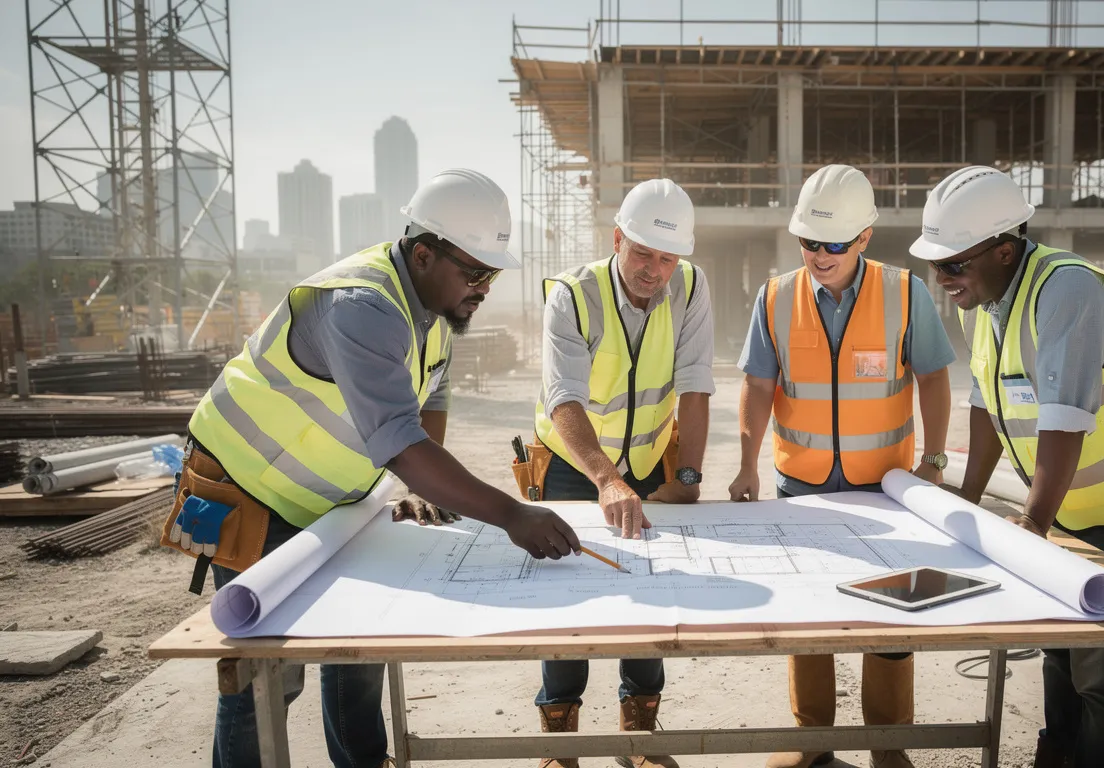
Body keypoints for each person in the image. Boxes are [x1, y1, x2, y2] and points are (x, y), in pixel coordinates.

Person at [164, 169, 581, 768]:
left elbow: (428, 402)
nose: (485, 287)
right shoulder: (363, 307)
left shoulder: (433, 313)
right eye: (475, 272)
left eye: (492, 273)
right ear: (422, 254)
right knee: (265, 674)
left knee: (358, 645)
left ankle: (363, 762)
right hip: (248, 489)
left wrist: (427, 488)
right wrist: (509, 513)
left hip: (331, 502)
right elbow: (401, 443)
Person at [909, 165, 1104, 768]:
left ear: (1005, 250)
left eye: (953, 265)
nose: (942, 280)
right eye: (935, 266)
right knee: (1058, 650)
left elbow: (1065, 418)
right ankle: (1057, 756)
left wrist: (1033, 522)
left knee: (1103, 676)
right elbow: (987, 404)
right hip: (1068, 504)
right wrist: (967, 497)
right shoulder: (982, 302)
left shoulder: (1067, 291)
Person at [731, 164, 956, 768]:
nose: (820, 255)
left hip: (888, 487)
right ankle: (812, 740)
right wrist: (748, 461)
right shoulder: (775, 296)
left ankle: (888, 746)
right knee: (809, 610)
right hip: (801, 484)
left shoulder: (905, 291)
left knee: (892, 617)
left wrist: (934, 460)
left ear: (864, 237)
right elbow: (758, 382)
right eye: (809, 241)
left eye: (834, 243)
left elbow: (934, 376)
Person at [528, 178, 714, 768]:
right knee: (567, 598)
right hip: (570, 462)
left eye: (667, 257)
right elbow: (564, 399)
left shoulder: (689, 286)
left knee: (649, 590)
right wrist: (607, 479)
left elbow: (696, 383)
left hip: (647, 459)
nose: (654, 269)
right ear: (617, 239)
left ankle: (638, 738)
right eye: (642, 253)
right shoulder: (574, 294)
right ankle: (562, 744)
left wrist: (687, 475)